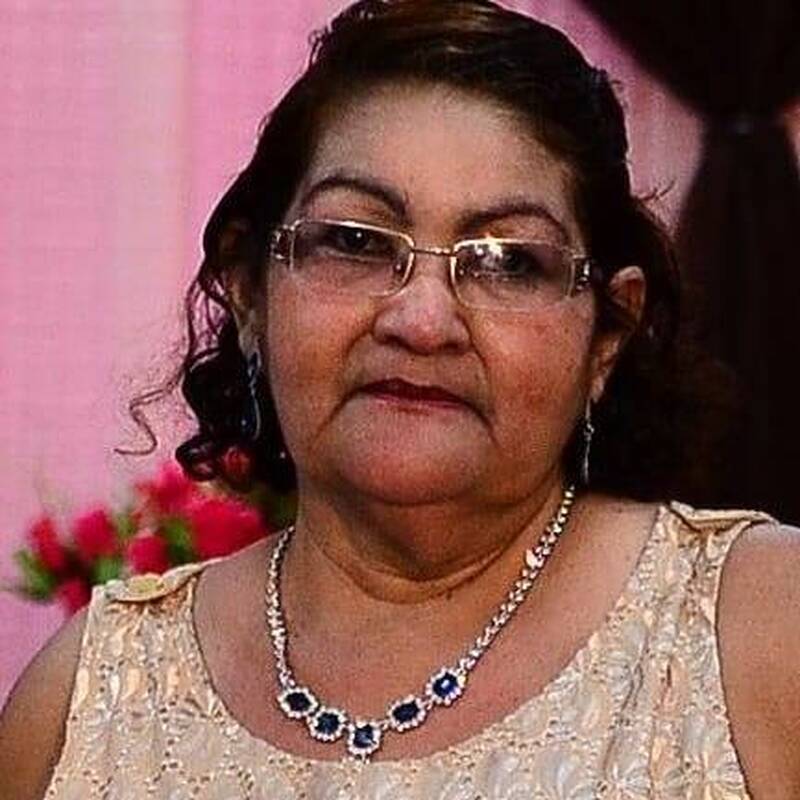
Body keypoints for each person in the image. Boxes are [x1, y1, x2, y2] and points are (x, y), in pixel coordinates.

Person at [2, 1, 799, 797]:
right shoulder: (89, 700)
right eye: (355, 241)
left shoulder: (756, 632)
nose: (422, 320)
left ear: (607, 334)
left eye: (507, 261)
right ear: (248, 292)